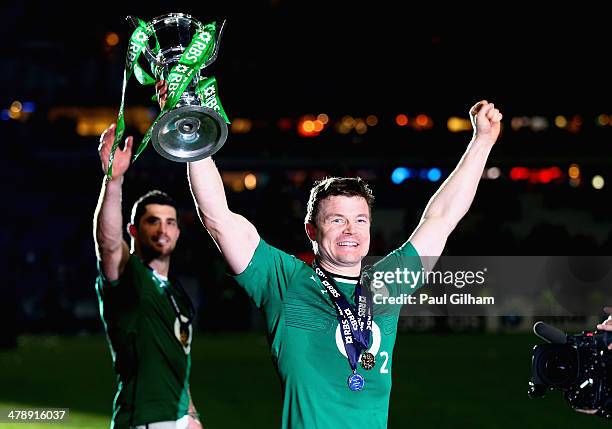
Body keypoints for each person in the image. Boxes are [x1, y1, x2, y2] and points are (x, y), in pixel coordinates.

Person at [181, 99, 502, 428]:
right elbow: (218, 218)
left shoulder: (388, 282)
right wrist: (192, 129)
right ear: (311, 230)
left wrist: (482, 142)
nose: (351, 230)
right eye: (337, 220)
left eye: (360, 220)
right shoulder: (284, 280)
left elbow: (442, 217)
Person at [94, 124, 203, 429]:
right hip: (142, 421)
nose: (162, 230)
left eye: (170, 223)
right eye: (152, 221)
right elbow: (108, 243)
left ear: (178, 233)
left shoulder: (176, 293)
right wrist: (114, 181)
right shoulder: (129, 276)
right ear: (134, 231)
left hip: (179, 419)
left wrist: (191, 416)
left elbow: (178, 359)